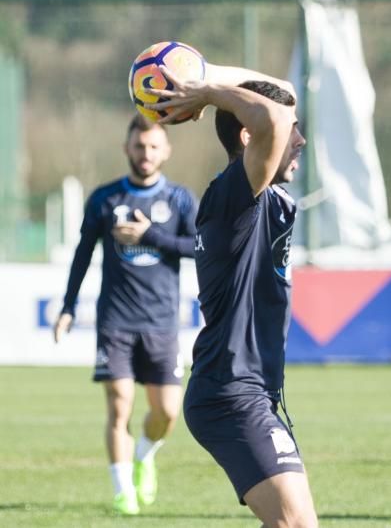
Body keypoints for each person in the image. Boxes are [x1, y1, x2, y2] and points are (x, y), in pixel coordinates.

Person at [146, 63, 317, 527]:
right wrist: (211, 93)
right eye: (294, 133)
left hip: (249, 390)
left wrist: (205, 79)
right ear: (249, 139)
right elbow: (277, 118)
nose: (299, 139)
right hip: (229, 393)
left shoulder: (255, 192)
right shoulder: (234, 198)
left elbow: (282, 99)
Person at [53, 114, 197, 515]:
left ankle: (145, 456)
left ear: (166, 150)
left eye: (153, 147)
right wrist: (67, 307)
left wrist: (149, 235)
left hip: (162, 322)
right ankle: (122, 492)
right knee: (120, 406)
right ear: (126, 148)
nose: (145, 154)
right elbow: (82, 255)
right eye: (139, 146)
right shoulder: (104, 199)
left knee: (167, 411)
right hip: (115, 321)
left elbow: (199, 248)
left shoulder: (181, 200)